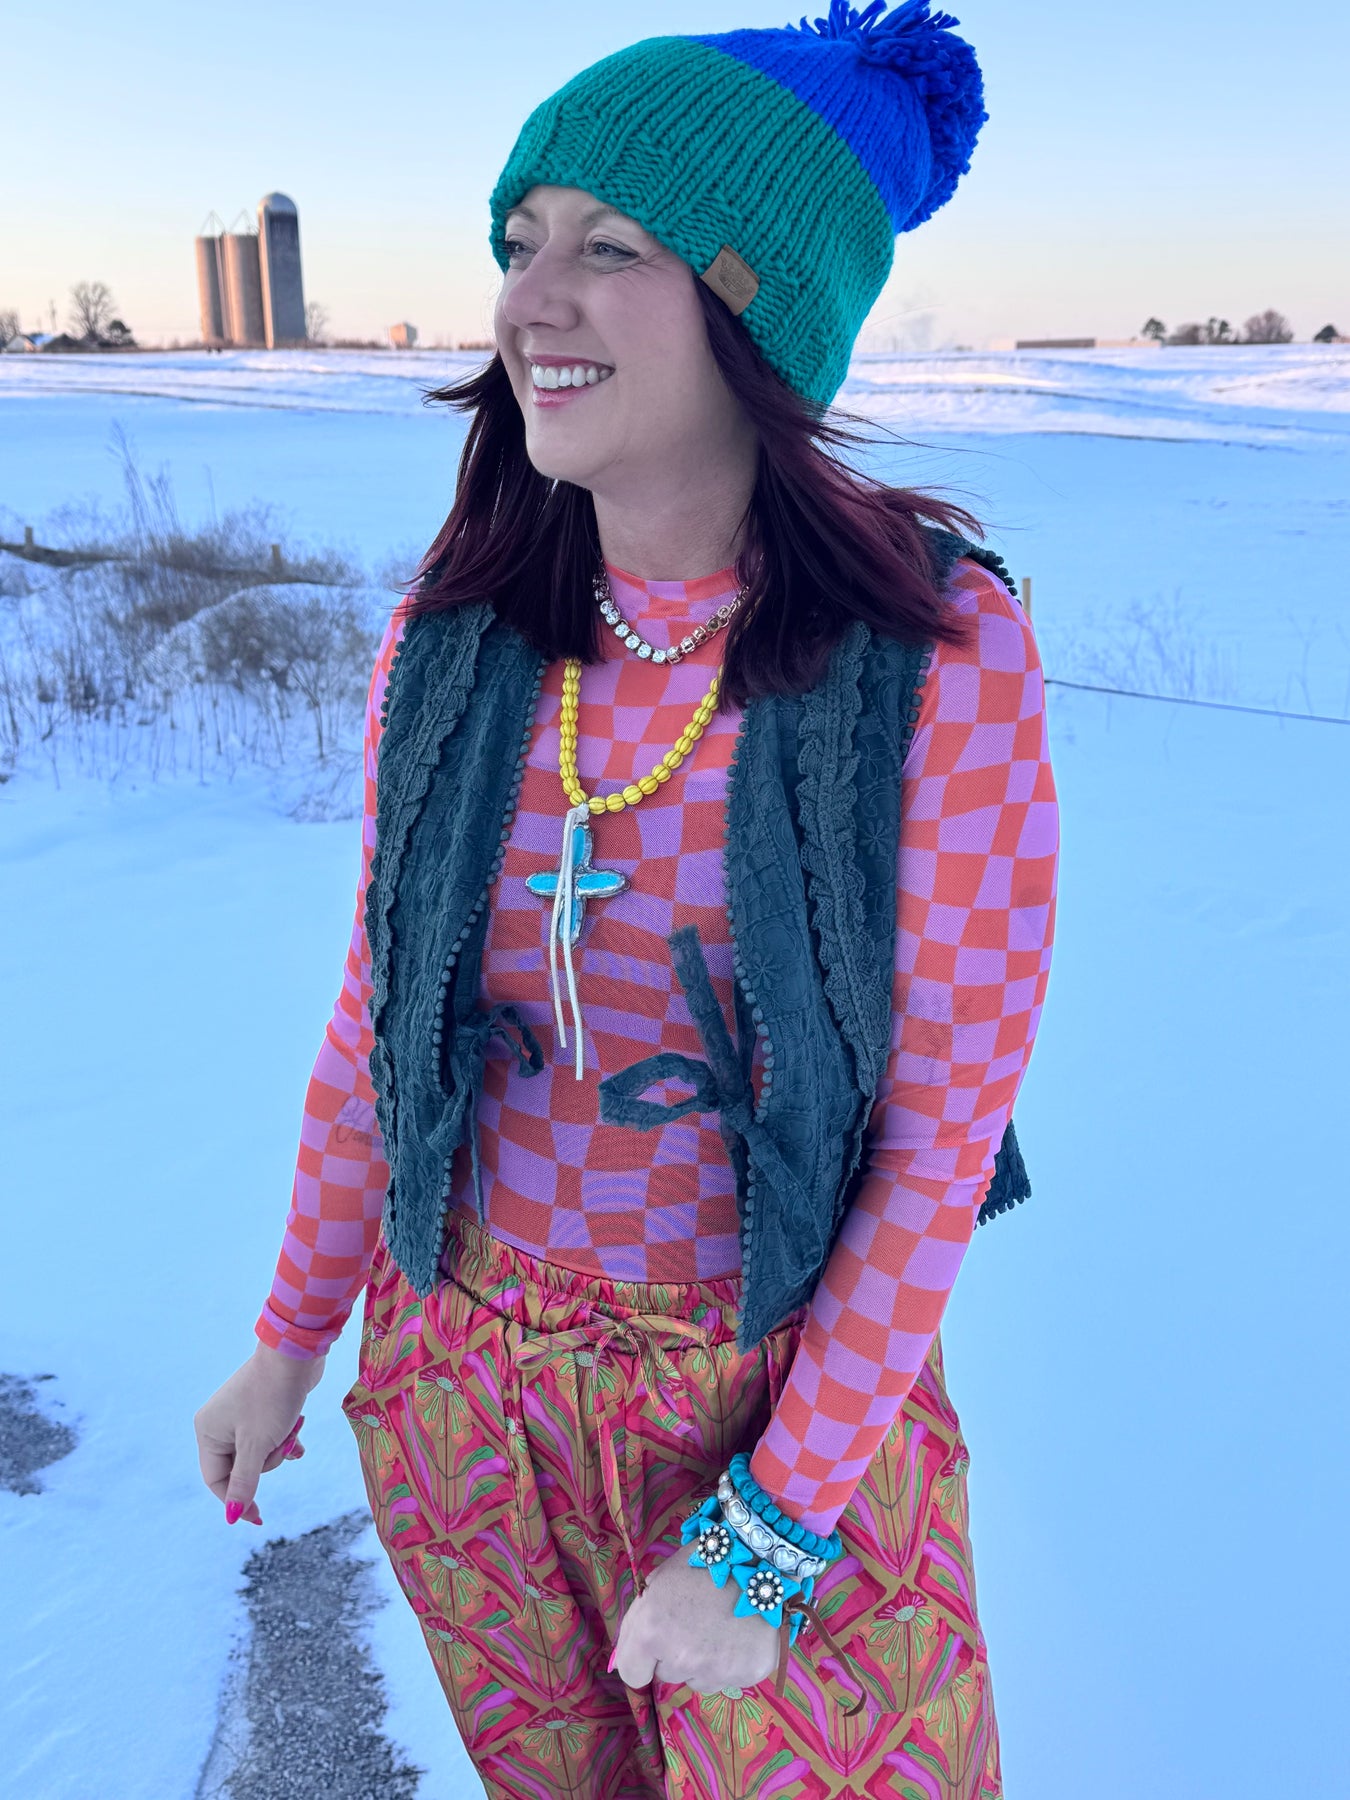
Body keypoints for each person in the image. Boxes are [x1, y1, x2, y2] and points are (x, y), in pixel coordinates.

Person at [194, 5, 1059, 1795]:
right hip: (457, 1397)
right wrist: (288, 1341)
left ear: (755, 312)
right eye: (518, 243)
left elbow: (938, 1137)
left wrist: (770, 1532)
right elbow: (374, 1032)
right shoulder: (454, 643)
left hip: (771, 1415)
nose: (532, 299)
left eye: (611, 249)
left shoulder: (933, 655)